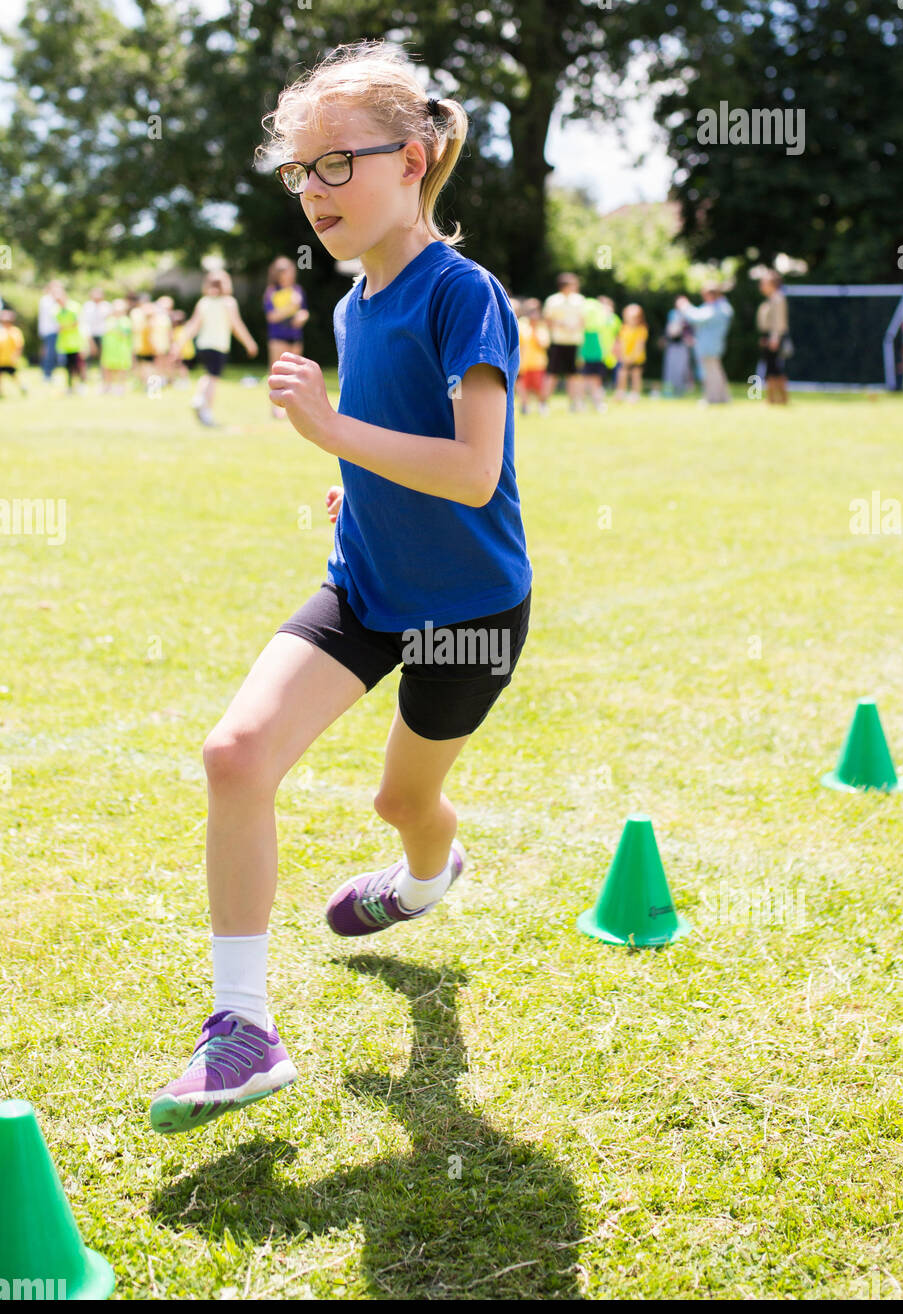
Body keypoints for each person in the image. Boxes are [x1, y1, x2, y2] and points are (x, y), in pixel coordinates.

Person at [148, 39, 533, 1135]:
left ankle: (423, 876)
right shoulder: (358, 302)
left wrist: (329, 429)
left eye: (335, 164)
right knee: (234, 753)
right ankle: (243, 1031)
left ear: (411, 160)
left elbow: (467, 471)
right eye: (297, 173)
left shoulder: (464, 295)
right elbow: (387, 445)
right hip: (364, 585)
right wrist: (348, 476)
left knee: (400, 803)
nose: (311, 193)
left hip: (466, 613)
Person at [181, 270, 257, 426]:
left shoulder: (204, 302)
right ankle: (206, 410)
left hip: (203, 346)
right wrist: (249, 343)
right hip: (218, 346)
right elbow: (237, 325)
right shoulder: (228, 302)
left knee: (208, 375)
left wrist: (179, 342)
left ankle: (198, 397)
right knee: (213, 379)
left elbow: (193, 325)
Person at [263, 255, 310, 420]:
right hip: (278, 337)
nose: (290, 276)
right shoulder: (272, 292)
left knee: (294, 373)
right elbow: (272, 316)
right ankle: (276, 408)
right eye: (286, 272)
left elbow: (304, 310)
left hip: (295, 336)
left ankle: (293, 407)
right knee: (277, 372)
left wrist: (302, 316)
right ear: (278, 274)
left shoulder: (297, 290)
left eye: (291, 272)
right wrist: (291, 307)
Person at [676, 283, 733, 404]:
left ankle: (712, 398)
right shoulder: (720, 306)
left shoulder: (718, 308)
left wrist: (685, 306)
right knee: (715, 371)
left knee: (710, 373)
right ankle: (722, 398)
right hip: (712, 345)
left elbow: (697, 317)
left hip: (709, 345)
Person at [543, 271, 586, 411]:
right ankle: (544, 403)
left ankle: (573, 404)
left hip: (574, 342)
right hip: (559, 341)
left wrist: (576, 326)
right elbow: (547, 320)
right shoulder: (553, 300)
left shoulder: (579, 300)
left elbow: (583, 320)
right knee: (552, 373)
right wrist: (561, 324)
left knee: (573, 375)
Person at [756, 270, 789, 405]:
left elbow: (779, 321)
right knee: (771, 368)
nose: (761, 286)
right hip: (769, 336)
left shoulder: (778, 298)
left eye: (764, 283)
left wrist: (774, 338)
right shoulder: (771, 299)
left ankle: (779, 399)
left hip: (775, 337)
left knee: (775, 369)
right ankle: (774, 399)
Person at [516, 297, 550, 414]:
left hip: (538, 363)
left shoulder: (541, 326)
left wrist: (534, 329)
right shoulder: (520, 324)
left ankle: (542, 405)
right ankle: (525, 407)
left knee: (539, 387)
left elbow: (543, 344)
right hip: (523, 363)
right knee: (522, 388)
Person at [577, 296, 610, 410]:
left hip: (595, 356)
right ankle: (582, 403)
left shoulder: (596, 331)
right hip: (588, 357)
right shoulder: (586, 332)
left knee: (594, 381)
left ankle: (595, 402)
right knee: (585, 381)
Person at [53, 285, 87, 393]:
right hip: (65, 343)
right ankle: (70, 386)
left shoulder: (74, 307)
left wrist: (65, 327)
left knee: (78, 365)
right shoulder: (57, 310)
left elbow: (76, 323)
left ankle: (81, 385)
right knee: (68, 366)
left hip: (76, 342)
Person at [99, 298, 134, 394]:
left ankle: (120, 387)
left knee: (121, 368)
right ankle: (107, 386)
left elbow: (126, 334)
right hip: (109, 349)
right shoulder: (109, 320)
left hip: (121, 349)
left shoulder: (126, 320)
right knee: (107, 368)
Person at [615, 303, 648, 401]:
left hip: (637, 358)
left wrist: (633, 357)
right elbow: (620, 343)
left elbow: (640, 345)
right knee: (622, 375)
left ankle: (635, 394)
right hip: (624, 357)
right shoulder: (623, 328)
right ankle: (620, 393)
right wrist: (621, 355)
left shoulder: (641, 329)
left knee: (636, 376)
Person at [661, 305, 691, 397]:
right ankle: (668, 392)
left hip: (682, 346)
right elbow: (669, 333)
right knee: (670, 370)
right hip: (672, 346)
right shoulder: (672, 315)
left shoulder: (689, 318)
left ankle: (680, 391)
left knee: (682, 369)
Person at [80, 287, 110, 379]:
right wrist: (88, 338)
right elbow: (84, 322)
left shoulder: (106, 306)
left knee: (104, 359)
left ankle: (104, 378)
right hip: (90, 335)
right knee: (86, 358)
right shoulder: (87, 306)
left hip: (103, 335)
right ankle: (84, 378)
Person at [38, 280, 63, 383]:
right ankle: (47, 374)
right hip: (49, 331)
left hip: (54, 331)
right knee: (50, 354)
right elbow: (54, 316)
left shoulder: (52, 300)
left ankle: (49, 373)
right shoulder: (46, 300)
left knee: (52, 353)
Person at [0, 309, 28, 397]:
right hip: (1, 359)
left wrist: (16, 356)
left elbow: (19, 345)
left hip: (9, 360)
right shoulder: (2, 331)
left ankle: (22, 387)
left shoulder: (15, 331)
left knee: (13, 375)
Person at [169, 308, 196, 387]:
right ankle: (181, 380)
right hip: (186, 351)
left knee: (182, 367)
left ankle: (184, 381)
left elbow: (179, 342)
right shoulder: (185, 329)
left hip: (183, 352)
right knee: (181, 366)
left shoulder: (179, 330)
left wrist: (176, 352)